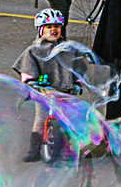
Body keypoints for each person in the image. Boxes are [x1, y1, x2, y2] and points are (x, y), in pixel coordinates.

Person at [15, 8, 86, 162]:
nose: (53, 29)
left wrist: (78, 83)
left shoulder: (68, 49)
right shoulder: (34, 50)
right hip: (44, 93)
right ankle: (34, 150)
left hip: (64, 92)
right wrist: (30, 82)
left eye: (57, 26)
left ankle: (67, 149)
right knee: (41, 120)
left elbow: (78, 69)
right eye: (48, 27)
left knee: (66, 120)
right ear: (40, 30)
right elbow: (27, 69)